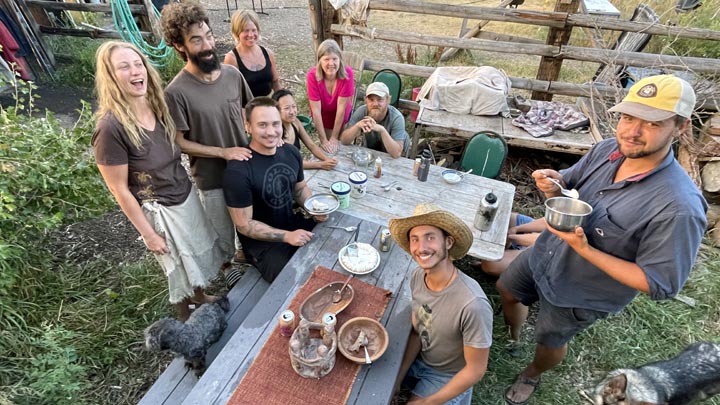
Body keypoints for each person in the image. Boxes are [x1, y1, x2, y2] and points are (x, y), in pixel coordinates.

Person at [499, 74, 707, 405]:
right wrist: (555, 184)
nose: (632, 131)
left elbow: (659, 284)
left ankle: (531, 374)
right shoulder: (608, 149)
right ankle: (513, 335)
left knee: (550, 341)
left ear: (680, 127)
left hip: (580, 293)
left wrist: (585, 249)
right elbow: (570, 183)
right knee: (507, 290)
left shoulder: (679, 206)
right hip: (544, 255)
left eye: (651, 123)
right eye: (628, 117)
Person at [91, 41, 223, 321]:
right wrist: (149, 235)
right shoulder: (110, 128)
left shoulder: (156, 106)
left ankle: (200, 298)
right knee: (177, 269)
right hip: (159, 209)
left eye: (138, 64)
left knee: (194, 256)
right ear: (111, 76)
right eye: (123, 67)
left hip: (183, 193)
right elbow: (119, 188)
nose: (135, 71)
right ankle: (187, 320)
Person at [160, 2, 253, 288]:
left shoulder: (232, 75)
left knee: (249, 226)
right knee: (221, 236)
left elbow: (251, 112)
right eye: (196, 40)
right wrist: (223, 152)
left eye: (209, 36)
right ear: (179, 45)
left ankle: (246, 257)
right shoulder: (176, 92)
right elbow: (179, 142)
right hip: (212, 178)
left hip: (246, 168)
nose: (208, 45)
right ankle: (226, 274)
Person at [389, 203, 493, 405]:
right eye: (415, 239)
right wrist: (396, 379)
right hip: (421, 358)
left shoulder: (472, 304)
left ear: (448, 242)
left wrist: (427, 402)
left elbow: (475, 370)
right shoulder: (418, 276)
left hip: (447, 374)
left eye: (430, 237)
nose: (422, 248)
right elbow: (418, 331)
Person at [223, 97, 328, 283]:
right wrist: (287, 237)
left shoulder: (290, 152)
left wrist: (314, 208)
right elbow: (244, 225)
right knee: (292, 279)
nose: (271, 132)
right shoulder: (238, 171)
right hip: (263, 245)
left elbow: (300, 189)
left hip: (292, 222)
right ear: (248, 126)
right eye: (262, 125)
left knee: (329, 242)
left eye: (275, 124)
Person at [306, 39, 354, 154]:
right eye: (326, 59)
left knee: (342, 145)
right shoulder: (312, 76)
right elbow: (316, 110)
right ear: (320, 61)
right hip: (323, 116)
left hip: (341, 116)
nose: (331, 63)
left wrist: (334, 137)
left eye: (334, 59)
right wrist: (324, 140)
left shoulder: (347, 74)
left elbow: (341, 109)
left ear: (340, 60)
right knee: (327, 148)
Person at [271, 89, 338, 170]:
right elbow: (290, 162)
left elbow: (311, 145)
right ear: (277, 111)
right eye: (287, 108)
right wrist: (321, 165)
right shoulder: (275, 134)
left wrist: (326, 159)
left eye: (294, 106)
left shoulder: (295, 122)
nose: (292, 111)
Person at [340, 81, 409, 158]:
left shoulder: (397, 118)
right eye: (371, 100)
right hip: (371, 154)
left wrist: (382, 130)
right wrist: (357, 126)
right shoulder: (361, 112)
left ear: (388, 100)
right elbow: (344, 140)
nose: (375, 104)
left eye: (380, 100)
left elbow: (396, 154)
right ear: (366, 100)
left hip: (391, 156)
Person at [222, 9, 280, 97]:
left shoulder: (268, 54)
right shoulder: (231, 59)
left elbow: (275, 82)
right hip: (246, 108)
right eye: (246, 31)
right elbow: (231, 93)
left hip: (269, 105)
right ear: (237, 33)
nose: (251, 35)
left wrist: (284, 101)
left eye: (253, 30)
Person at [476, 213, 545, 277]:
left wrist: (511, 237)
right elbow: (549, 221)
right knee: (501, 217)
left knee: (490, 263)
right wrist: (517, 229)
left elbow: (543, 241)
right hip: (540, 233)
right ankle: (507, 251)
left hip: (545, 253)